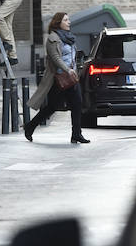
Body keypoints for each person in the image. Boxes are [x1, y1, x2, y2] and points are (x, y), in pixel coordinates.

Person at [24, 12, 90, 146]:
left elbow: (72, 56)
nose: (69, 22)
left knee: (77, 104)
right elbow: (55, 58)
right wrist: (67, 69)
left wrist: (75, 69)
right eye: (66, 20)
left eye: (68, 20)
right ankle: (30, 126)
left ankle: (76, 134)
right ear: (58, 22)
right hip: (58, 78)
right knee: (52, 107)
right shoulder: (53, 38)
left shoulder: (69, 38)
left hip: (71, 78)